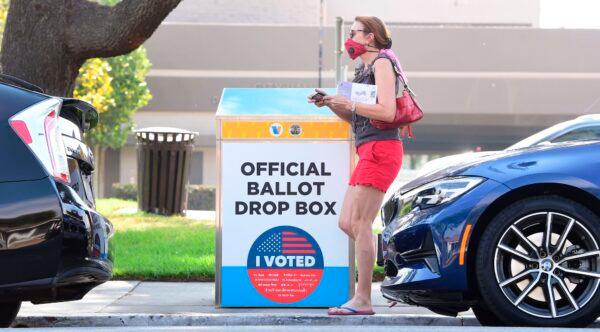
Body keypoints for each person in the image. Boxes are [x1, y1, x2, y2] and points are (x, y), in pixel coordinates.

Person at [308, 16, 404, 316]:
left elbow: (387, 111)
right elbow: (359, 119)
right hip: (368, 148)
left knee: (361, 224)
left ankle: (363, 299)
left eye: (354, 33)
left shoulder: (382, 63)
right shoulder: (362, 69)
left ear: (371, 37)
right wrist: (333, 104)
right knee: (347, 223)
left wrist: (347, 102)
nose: (349, 39)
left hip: (381, 149)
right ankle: (395, 265)